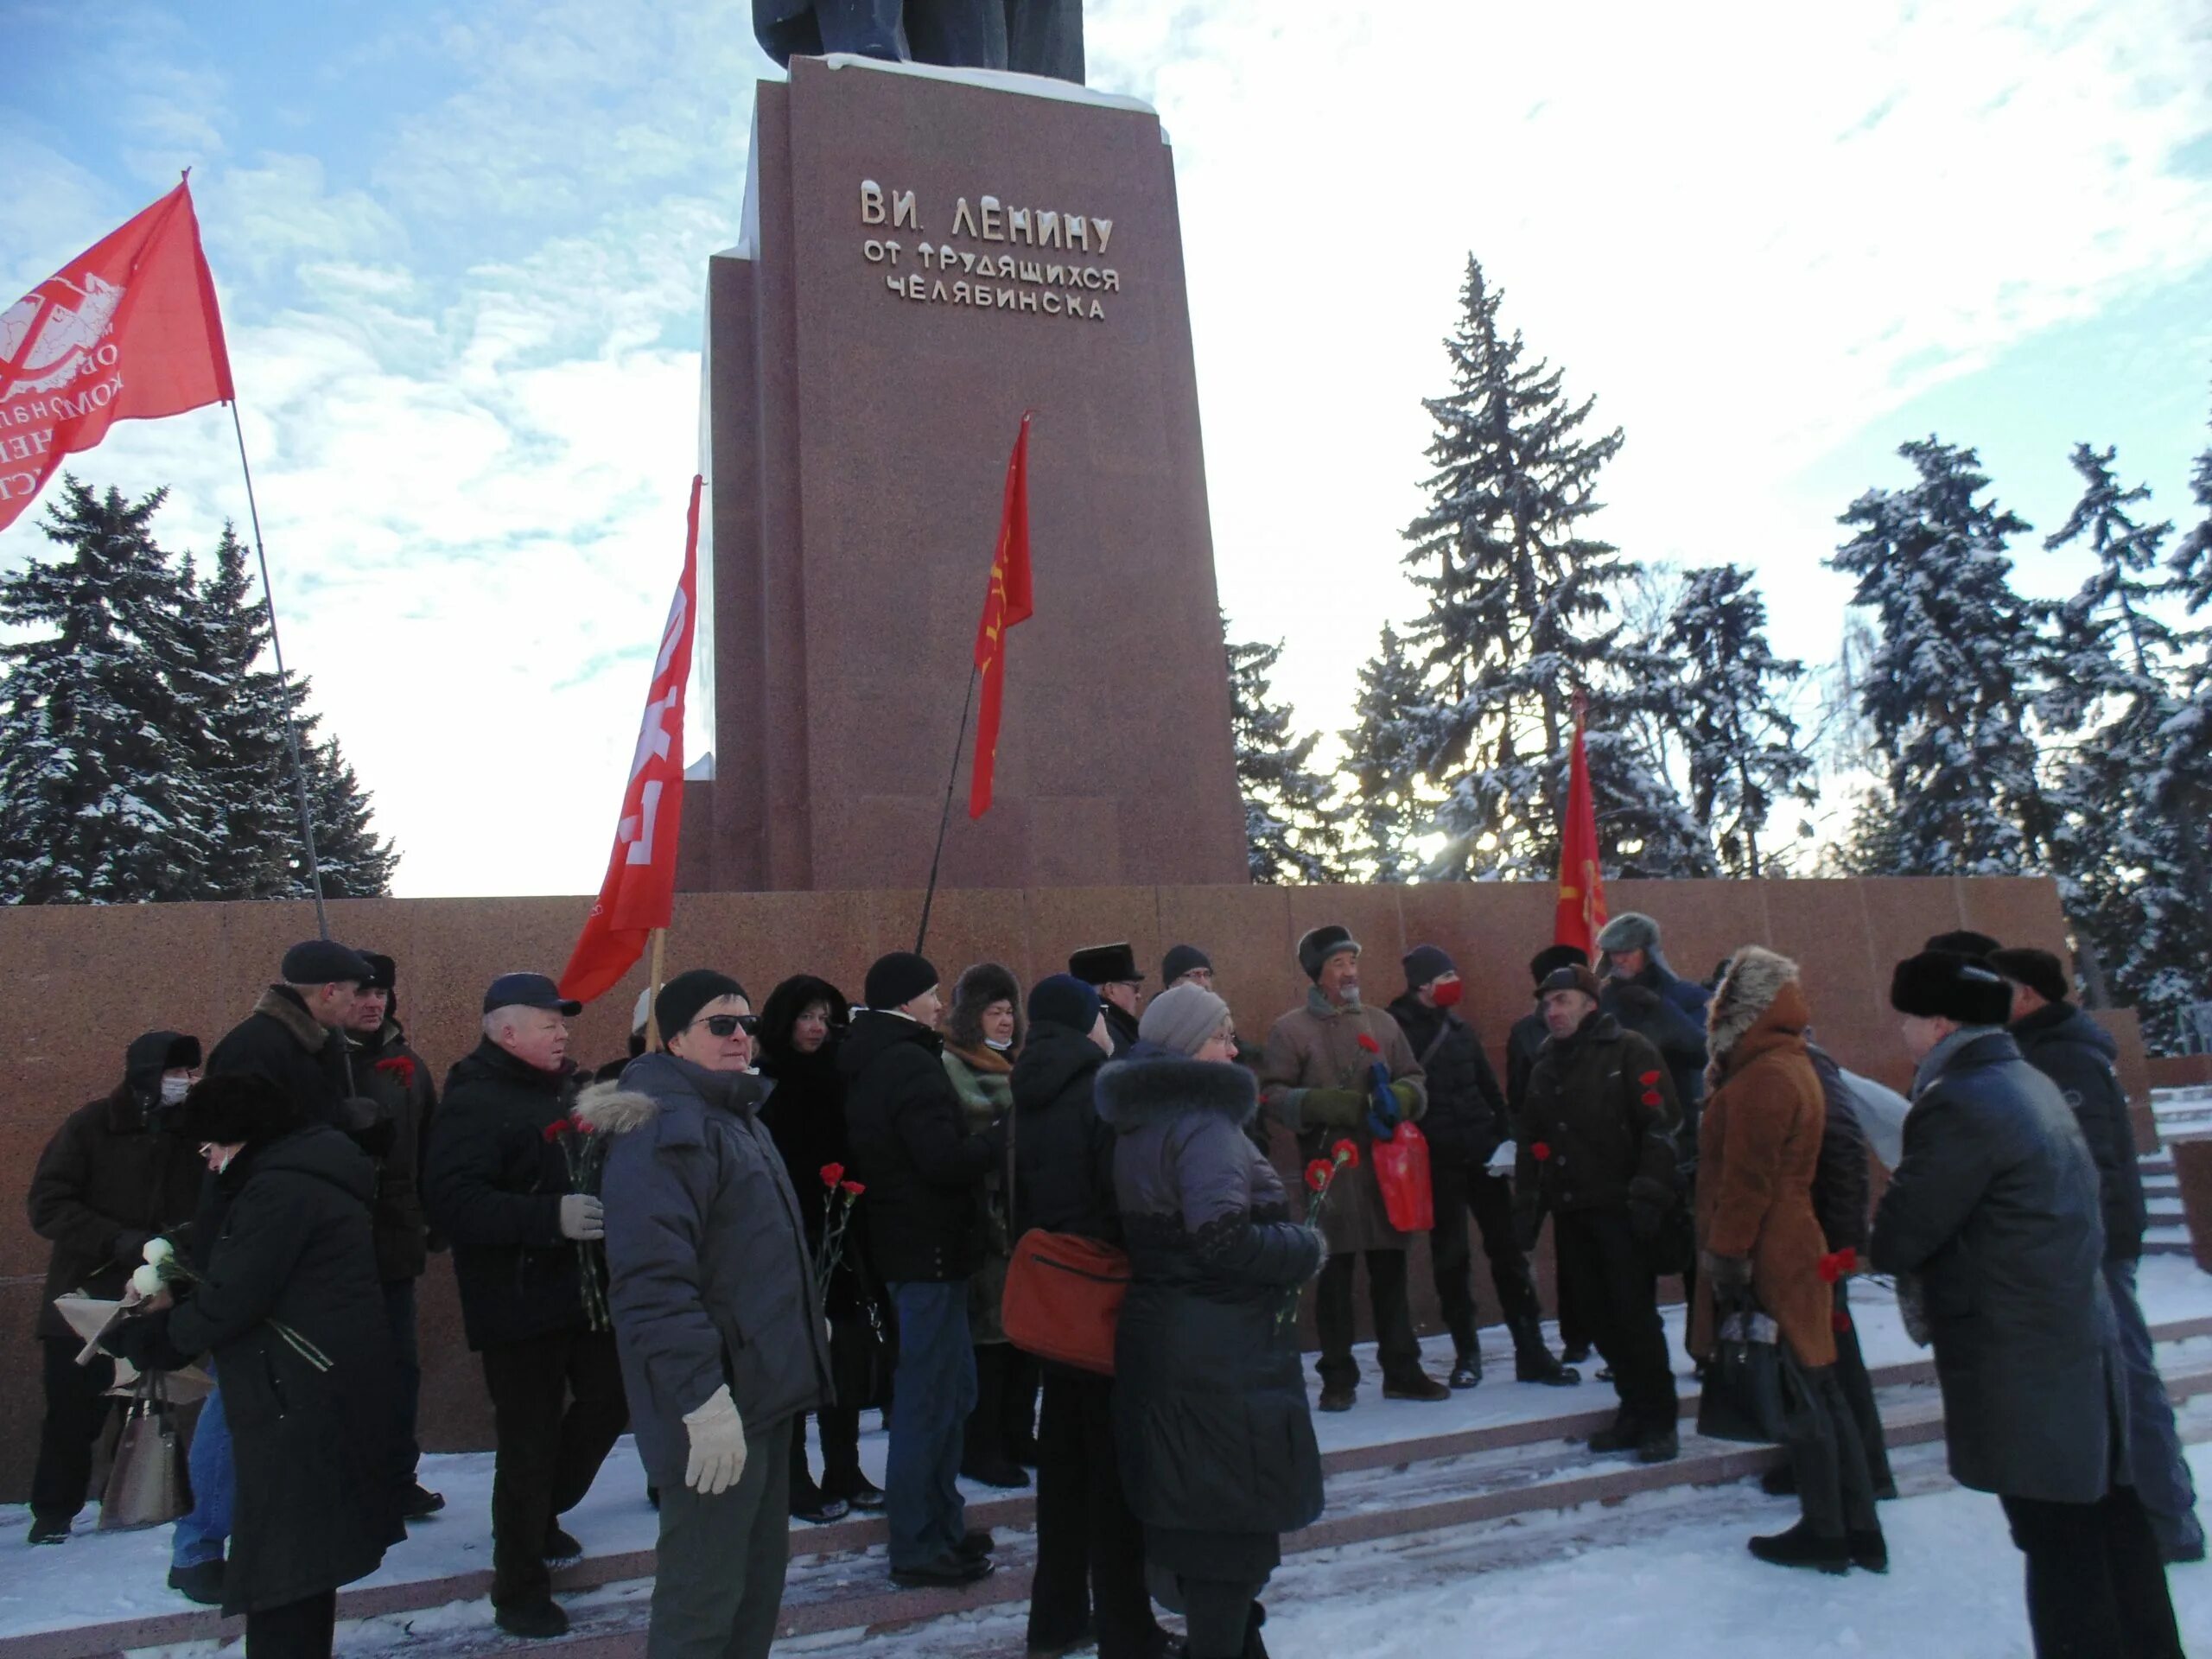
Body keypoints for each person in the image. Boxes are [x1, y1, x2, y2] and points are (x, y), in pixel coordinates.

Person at [1871, 950, 2183, 1658]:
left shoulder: (1960, 1100)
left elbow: (1903, 1232)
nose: (1904, 1034)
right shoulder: (2026, 1081)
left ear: (1941, 1022)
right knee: (2108, 1526)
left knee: (2059, 1541)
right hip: (2073, 1346)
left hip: (2023, 1358)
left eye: (1910, 1019)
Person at [577, 969, 831, 1659]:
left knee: (753, 1591)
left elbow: (754, 1256)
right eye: (721, 1024)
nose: (740, 1036)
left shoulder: (734, 1114)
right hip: (716, 1403)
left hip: (763, 1389)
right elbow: (651, 1284)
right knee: (703, 1601)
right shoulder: (665, 1129)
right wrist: (702, 1398)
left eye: (746, 1023)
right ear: (676, 1039)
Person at [107, 1071, 404, 1659]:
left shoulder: (280, 1189)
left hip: (294, 1396)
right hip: (313, 1387)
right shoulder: (305, 1173)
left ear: (239, 1135)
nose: (209, 1162)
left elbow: (236, 1296)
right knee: (302, 1564)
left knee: (283, 1569)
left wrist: (157, 1337)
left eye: (210, 1147)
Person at [1101, 981, 1325, 1659]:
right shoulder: (1204, 1125)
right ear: (1186, 1045)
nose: (1234, 1047)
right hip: (1222, 1362)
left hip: (1173, 1346)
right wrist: (1304, 1247)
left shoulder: (1143, 1121)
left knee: (1205, 1543)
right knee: (1226, 1545)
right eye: (1222, 1034)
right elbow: (1223, 1240)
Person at [170, 938, 383, 1604]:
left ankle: (244, 1536)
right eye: (356, 991)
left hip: (289, 1245)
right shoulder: (259, 1046)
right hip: (256, 1244)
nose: (365, 1002)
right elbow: (233, 1151)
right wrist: (333, 1125)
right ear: (326, 994)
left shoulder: (311, 1045)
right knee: (234, 1402)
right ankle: (198, 1544)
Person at [425, 973, 629, 1640]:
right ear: (507, 1032)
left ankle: (543, 1509)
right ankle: (518, 1589)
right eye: (549, 1023)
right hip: (517, 1301)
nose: (563, 1031)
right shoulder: (473, 1101)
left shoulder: (572, 1088)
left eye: (563, 1022)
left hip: (587, 1293)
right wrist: (549, 1216)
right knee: (528, 1442)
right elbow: (453, 1203)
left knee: (611, 1399)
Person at [1992, 945, 2202, 1564]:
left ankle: (2169, 1523)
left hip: (2094, 1250)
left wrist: (2083, 1247)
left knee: (2130, 1381)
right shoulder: (2045, 1052)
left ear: (2026, 994)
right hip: (2084, 1247)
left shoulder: (2063, 1058)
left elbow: (2097, 1164)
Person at [1690, 949, 1882, 1573]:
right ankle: (1856, 1527)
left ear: (1742, 1009)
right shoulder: (1789, 1063)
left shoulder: (1766, 1075)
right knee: (1820, 1388)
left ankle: (1829, 1532)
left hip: (1771, 1247)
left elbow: (1749, 1181)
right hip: (1793, 1241)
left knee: (1804, 1393)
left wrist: (1727, 1256)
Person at [1012, 975, 1170, 1659]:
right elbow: (1123, 1196)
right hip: (1104, 1296)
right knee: (1114, 1477)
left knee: (1065, 1471)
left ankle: (1055, 1618)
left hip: (1052, 1302)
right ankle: (1128, 1633)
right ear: (1087, 1021)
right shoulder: (1102, 1092)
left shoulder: (1023, 1092)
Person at [842, 950, 1006, 1587]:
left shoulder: (877, 1056)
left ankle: (942, 1522)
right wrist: (999, 1139)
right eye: (933, 995)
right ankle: (917, 1543)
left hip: (919, 1251)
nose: (941, 1006)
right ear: (907, 1001)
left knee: (950, 1390)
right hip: (928, 1254)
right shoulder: (907, 1063)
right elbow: (939, 1161)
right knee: (928, 1400)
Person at [25, 1031, 205, 1546]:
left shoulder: (192, 1133)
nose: (184, 1083)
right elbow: (48, 1205)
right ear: (147, 1074)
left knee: (147, 1406)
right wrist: (117, 1240)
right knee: (72, 1412)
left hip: (157, 1296)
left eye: (190, 1073)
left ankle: (136, 1503)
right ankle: (54, 1512)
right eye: (175, 1073)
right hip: (86, 1297)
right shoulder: (89, 1127)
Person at [1256, 925, 1446, 1411]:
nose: (1350, 972)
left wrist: (1401, 1098)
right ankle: (1337, 1377)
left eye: (1352, 961)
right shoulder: (1290, 1029)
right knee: (1334, 1281)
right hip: (1332, 1174)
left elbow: (1415, 1078)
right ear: (1317, 974)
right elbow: (1272, 1096)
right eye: (1338, 964)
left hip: (1386, 1173)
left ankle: (1402, 1369)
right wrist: (1328, 1104)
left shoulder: (1383, 1024)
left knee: (1391, 1275)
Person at [1513, 962, 1683, 1463]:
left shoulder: (1629, 1050)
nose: (1552, 1011)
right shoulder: (1544, 1065)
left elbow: (1663, 1125)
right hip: (1573, 1213)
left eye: (1562, 1001)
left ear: (1590, 1003)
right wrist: (1527, 1213)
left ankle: (1659, 1419)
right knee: (1594, 1318)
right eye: (1547, 1004)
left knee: (1634, 1317)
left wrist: (1650, 1192)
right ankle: (1632, 1410)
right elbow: (1533, 1144)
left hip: (1624, 1211)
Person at [1387, 945, 1575, 1389]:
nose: (1455, 981)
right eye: (1447, 974)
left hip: (1484, 1159)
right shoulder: (1398, 1030)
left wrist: (1507, 1140)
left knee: (1509, 1255)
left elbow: (1491, 1091)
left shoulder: (1461, 1029)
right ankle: (1466, 1356)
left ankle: (1531, 1350)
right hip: (1437, 1163)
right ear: (1423, 985)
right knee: (1451, 1260)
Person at [756, 973, 883, 1522]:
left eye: (823, 1016)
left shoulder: (844, 1076)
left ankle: (844, 1467)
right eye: (804, 1016)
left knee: (847, 1357)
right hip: (787, 1240)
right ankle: (794, 1478)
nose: (815, 1027)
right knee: (795, 1361)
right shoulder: (763, 1085)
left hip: (842, 1236)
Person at [347, 952, 445, 1521]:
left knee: (399, 1369)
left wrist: (432, 1218)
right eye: (361, 992)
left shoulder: (408, 1066)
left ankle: (395, 1474)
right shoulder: (315, 1062)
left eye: (381, 992)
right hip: (331, 1248)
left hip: (394, 1244)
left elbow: (430, 1145)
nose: (373, 1002)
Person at [940, 962, 1033, 1489]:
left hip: (1023, 1216)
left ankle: (1019, 1432)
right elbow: (975, 1127)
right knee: (991, 1339)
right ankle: (984, 1445)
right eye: (993, 1011)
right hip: (986, 1218)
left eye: (1008, 1011)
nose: (1003, 1022)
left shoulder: (1012, 1062)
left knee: (1023, 1334)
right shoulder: (953, 1064)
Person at [1509, 944, 1593, 1366]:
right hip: (1549, 1156)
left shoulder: (1610, 1034)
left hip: (1597, 1157)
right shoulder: (1526, 1034)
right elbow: (1517, 1099)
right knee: (1569, 1250)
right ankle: (1575, 1336)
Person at [1070, 943, 1146, 1057]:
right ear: (1110, 990)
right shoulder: (1108, 1036)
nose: (1138, 995)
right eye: (1135, 988)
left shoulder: (1078, 1029)